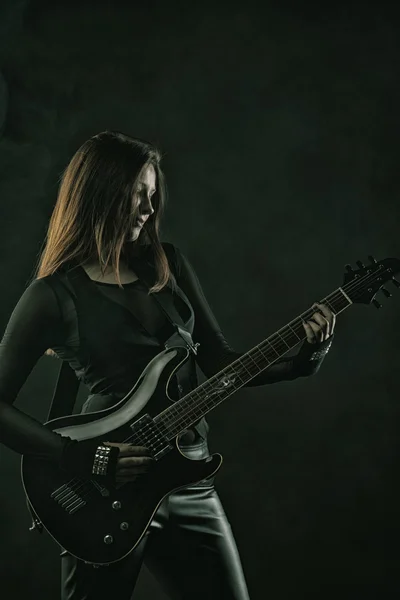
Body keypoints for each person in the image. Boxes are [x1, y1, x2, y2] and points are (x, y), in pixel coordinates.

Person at [0, 130, 335, 600]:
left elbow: (219, 362)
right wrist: (81, 456)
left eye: (153, 195)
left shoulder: (167, 265)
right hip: (106, 486)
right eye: (138, 193)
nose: (148, 208)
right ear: (101, 192)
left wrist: (301, 363)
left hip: (189, 480)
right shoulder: (54, 296)